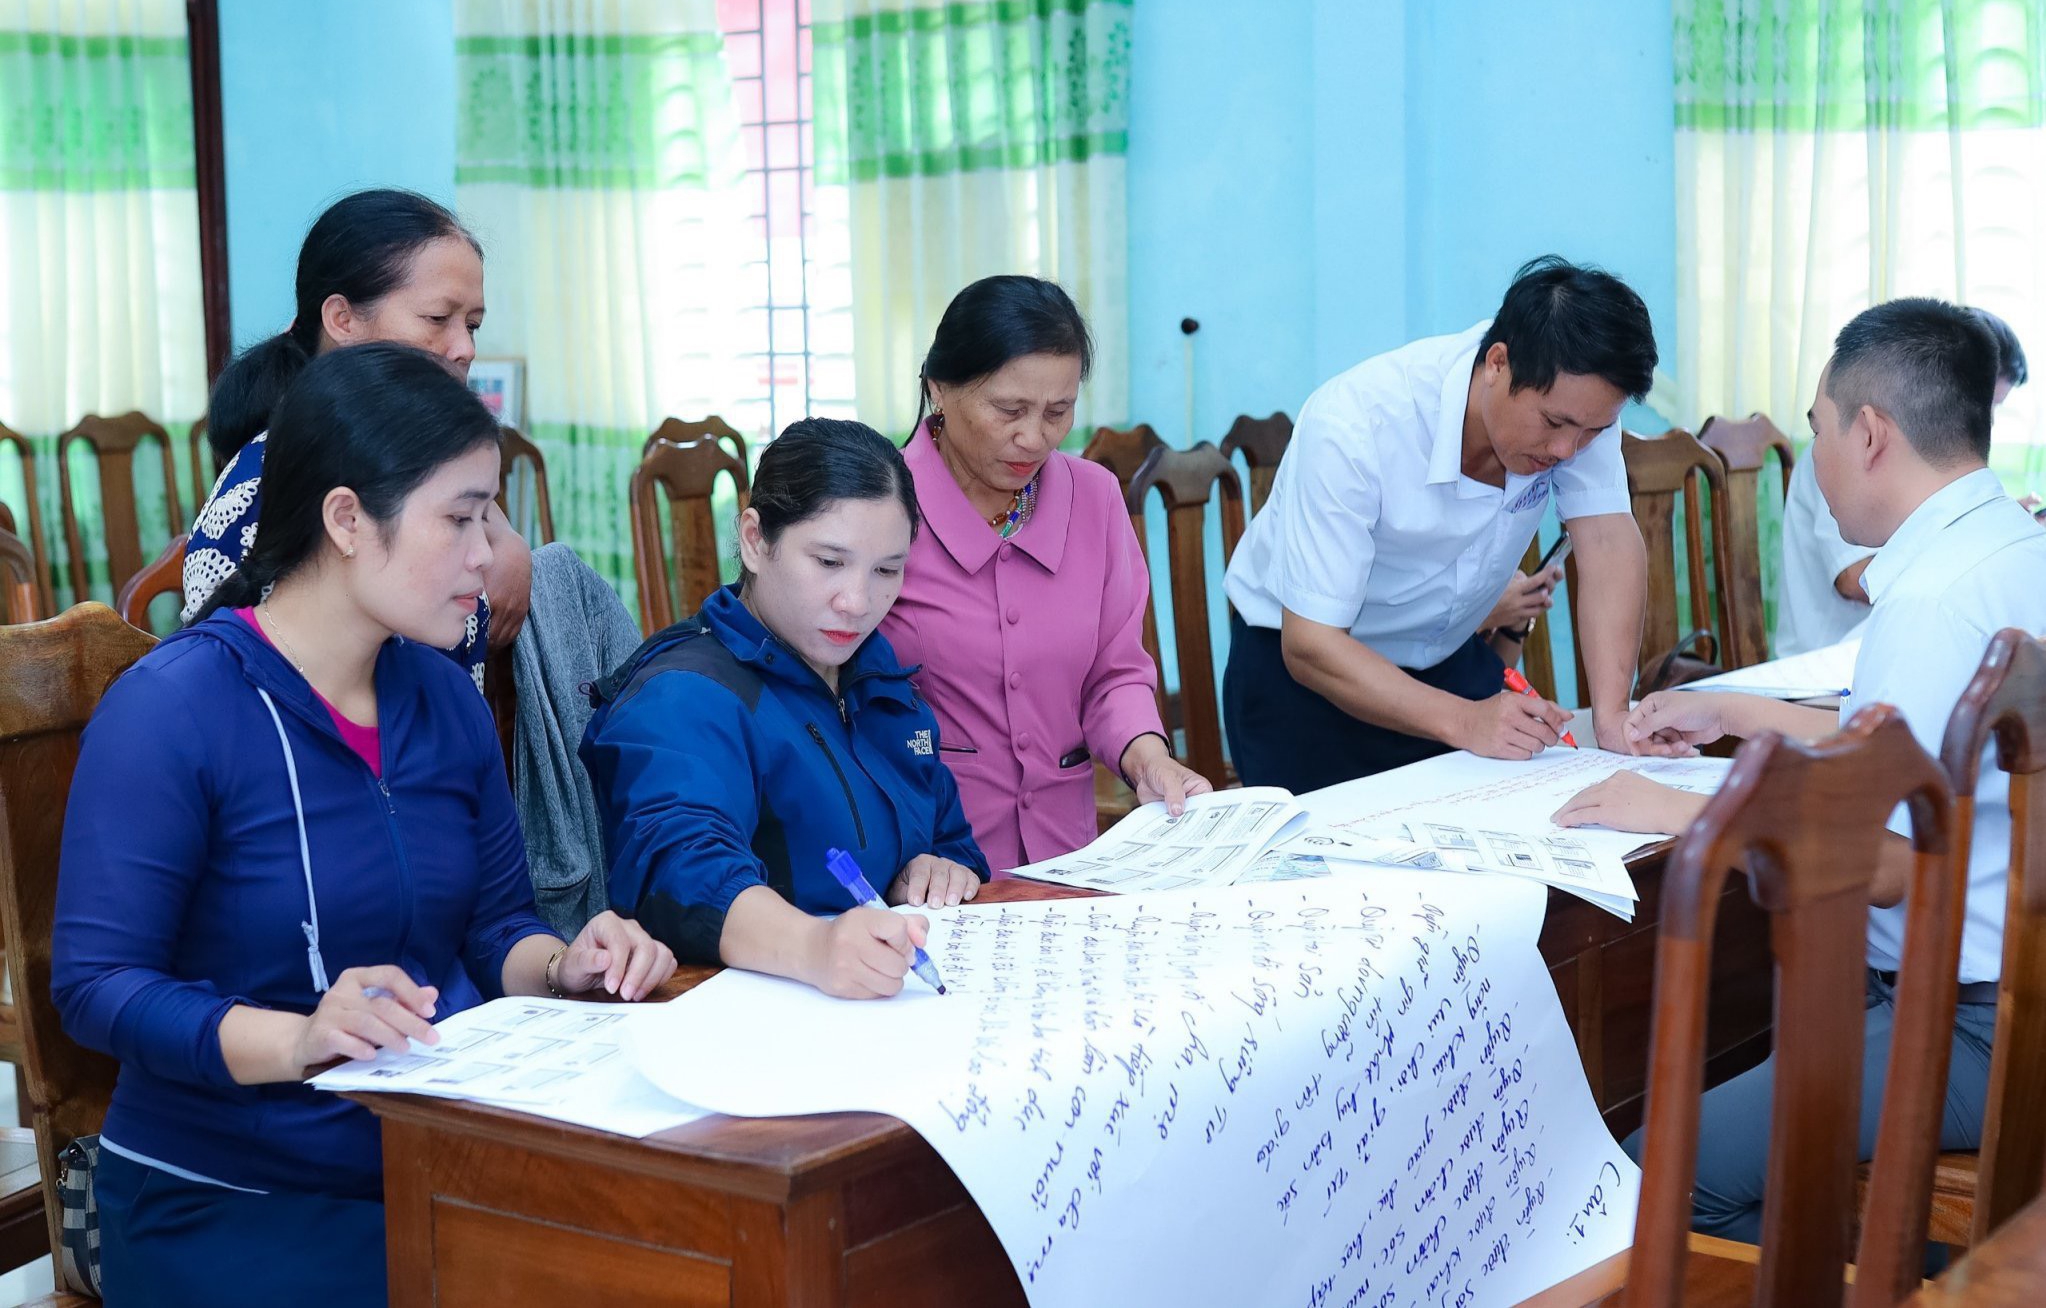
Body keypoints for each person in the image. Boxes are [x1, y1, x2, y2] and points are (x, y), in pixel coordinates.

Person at [54, 343, 675, 1307]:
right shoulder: (175, 708)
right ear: (346, 518)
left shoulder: (440, 694)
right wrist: (299, 1040)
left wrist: (566, 966)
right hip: (226, 1195)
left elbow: (497, 926)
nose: (491, 554)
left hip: (427, 1159)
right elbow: (97, 988)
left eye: (492, 516)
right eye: (462, 518)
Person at [1552, 298, 2046, 1244]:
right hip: (2017, 984)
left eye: (1817, 428)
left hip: (1974, 1021)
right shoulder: (2011, 549)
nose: (1814, 460)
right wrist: (1736, 712)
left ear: (1869, 433)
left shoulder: (1931, 602)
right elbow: (1903, 752)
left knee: (1657, 1175)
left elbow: (1896, 868)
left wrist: (1681, 809)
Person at [1221, 256, 1672, 792]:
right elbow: (1312, 644)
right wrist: (1465, 721)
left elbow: (1607, 542)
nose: (1566, 449)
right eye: (1554, 424)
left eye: (1593, 431)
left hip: (1445, 661)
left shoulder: (1577, 407)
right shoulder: (1354, 425)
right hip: (1310, 678)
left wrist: (1612, 717)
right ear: (1498, 364)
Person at [584, 418, 991, 999]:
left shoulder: (877, 679)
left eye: (886, 570)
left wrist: (938, 867)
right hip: (753, 1016)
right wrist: (815, 948)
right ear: (755, 540)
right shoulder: (686, 692)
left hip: (886, 1001)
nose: (857, 602)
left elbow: (950, 833)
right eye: (828, 562)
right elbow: (683, 870)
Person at [880, 276, 1211, 871]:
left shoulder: (1095, 497)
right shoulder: (878, 507)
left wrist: (1149, 758)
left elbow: (1114, 673)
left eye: (1058, 412)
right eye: (1008, 410)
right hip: (924, 859)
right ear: (939, 388)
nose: (1033, 438)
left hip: (1069, 857)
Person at [183, 188, 534, 680]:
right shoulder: (271, 484)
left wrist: (507, 541)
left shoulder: (405, 458)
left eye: (472, 325)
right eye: (437, 319)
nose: (463, 349)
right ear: (342, 319)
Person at [1775, 307, 2029, 656]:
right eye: (1987, 404)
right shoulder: (1840, 455)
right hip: (1829, 654)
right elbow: (1853, 581)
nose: (1987, 420)